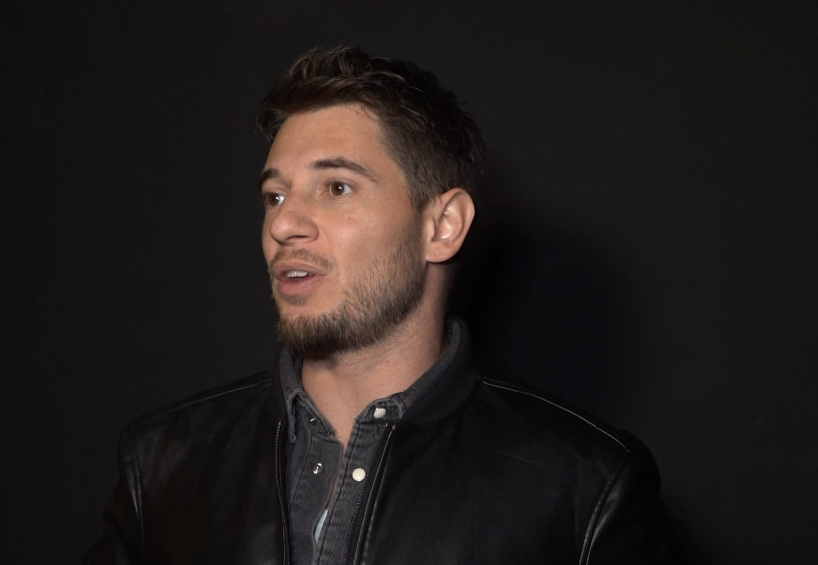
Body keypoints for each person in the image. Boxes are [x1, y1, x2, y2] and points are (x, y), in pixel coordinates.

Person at [86, 46, 682, 564]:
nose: (284, 224)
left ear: (442, 226)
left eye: (336, 187)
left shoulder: (587, 487)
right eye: (274, 195)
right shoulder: (162, 462)